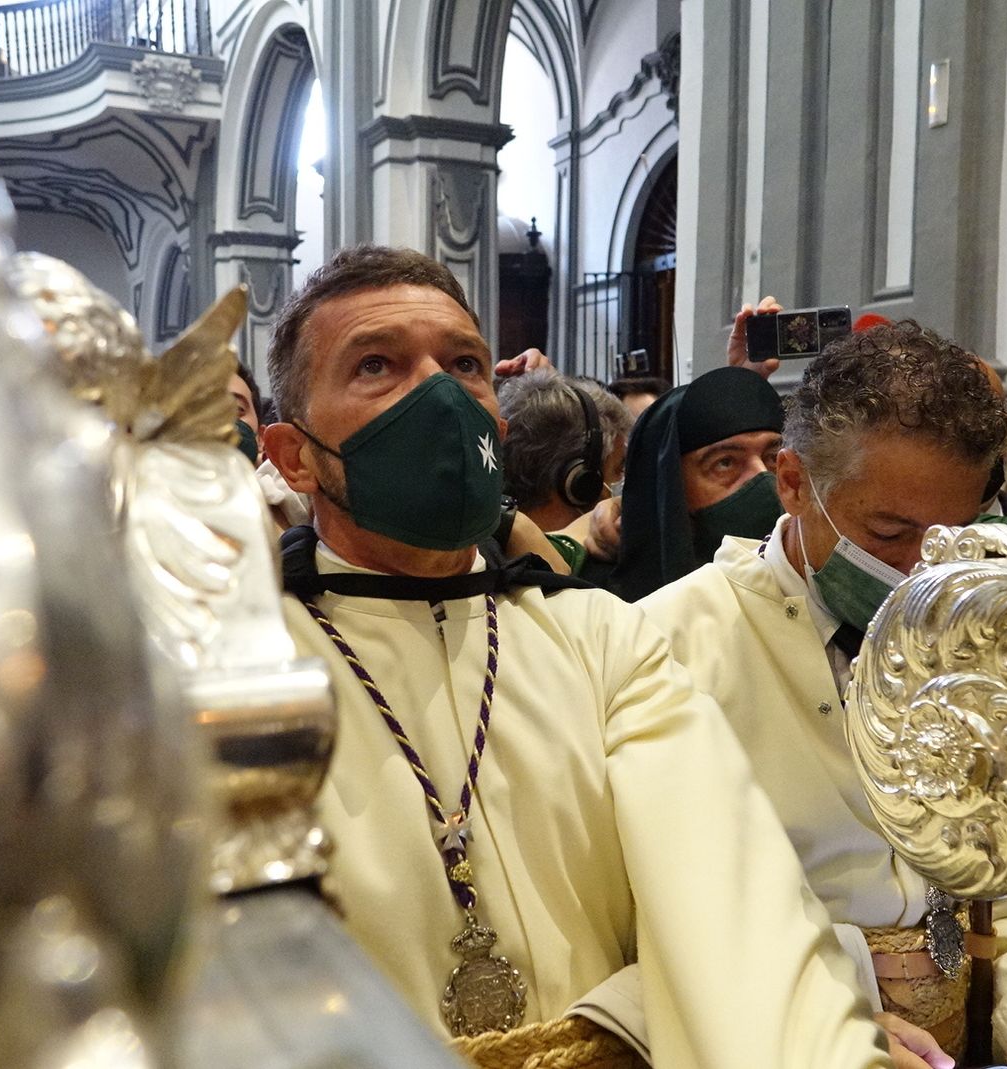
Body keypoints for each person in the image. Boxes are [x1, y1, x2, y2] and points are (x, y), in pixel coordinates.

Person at [258, 245, 893, 1068]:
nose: (439, 395)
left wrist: (634, 1011)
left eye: (464, 364)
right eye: (377, 365)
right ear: (290, 453)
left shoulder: (599, 637)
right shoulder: (241, 667)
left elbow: (728, 896)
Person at [642, 321, 1007, 1069]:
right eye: (890, 531)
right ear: (794, 482)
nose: (921, 567)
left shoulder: (976, 633)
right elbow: (659, 916)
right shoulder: (667, 646)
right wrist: (826, 1016)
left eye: (955, 534)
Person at [599, 365, 785, 601]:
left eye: (773, 458)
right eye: (725, 463)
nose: (762, 477)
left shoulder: (811, 588)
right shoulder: (603, 607)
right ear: (671, 482)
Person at [498, 367, 631, 532]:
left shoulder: (484, 548)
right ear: (580, 482)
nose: (624, 480)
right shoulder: (598, 554)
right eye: (619, 468)